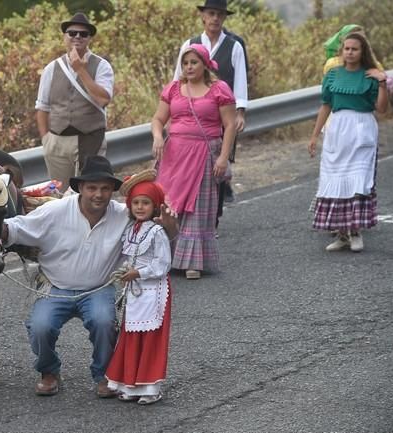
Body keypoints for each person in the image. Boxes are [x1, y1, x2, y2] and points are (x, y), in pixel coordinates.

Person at [2, 156, 177, 398]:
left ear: (112, 191)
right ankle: (49, 372)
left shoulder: (125, 215)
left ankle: (104, 375)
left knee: (104, 322)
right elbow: (16, 227)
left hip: (98, 288)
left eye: (105, 188)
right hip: (55, 286)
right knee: (40, 326)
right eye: (92, 187)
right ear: (80, 188)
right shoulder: (55, 210)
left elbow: (156, 235)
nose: (99, 194)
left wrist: (170, 227)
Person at [152, 44, 236, 279]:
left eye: (194, 62)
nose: (189, 67)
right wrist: (158, 137)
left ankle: (192, 262)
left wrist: (223, 157)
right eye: (185, 63)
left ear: (205, 64)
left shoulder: (219, 89)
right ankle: (167, 257)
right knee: (168, 204)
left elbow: (229, 125)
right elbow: (158, 119)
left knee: (198, 206)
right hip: (174, 153)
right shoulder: (173, 89)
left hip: (205, 151)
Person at [308, 32, 388, 252]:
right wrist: (315, 135)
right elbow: (326, 105)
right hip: (338, 130)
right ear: (341, 51)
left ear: (363, 52)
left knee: (357, 180)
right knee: (336, 178)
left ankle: (356, 231)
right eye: (347, 48)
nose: (350, 52)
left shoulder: (371, 76)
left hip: (362, 129)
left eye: (355, 49)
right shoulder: (332, 76)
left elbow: (381, 108)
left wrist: (382, 83)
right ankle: (342, 234)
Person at [172, 0, 248, 227]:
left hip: (223, 114)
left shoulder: (234, 46)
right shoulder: (190, 44)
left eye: (220, 15)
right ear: (203, 16)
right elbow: (178, 79)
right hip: (193, 115)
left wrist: (240, 112)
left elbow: (241, 80)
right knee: (191, 168)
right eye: (211, 13)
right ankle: (189, 215)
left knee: (218, 167)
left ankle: (212, 218)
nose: (215, 18)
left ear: (224, 18)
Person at [105, 170, 172, 405]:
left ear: (155, 206)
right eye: (136, 203)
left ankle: (150, 387)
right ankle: (129, 384)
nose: (140, 207)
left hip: (153, 290)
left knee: (150, 338)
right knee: (131, 336)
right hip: (135, 291)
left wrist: (138, 273)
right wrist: (125, 272)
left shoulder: (156, 232)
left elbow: (162, 264)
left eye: (146, 203)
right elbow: (125, 258)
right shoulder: (131, 230)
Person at [35, 12, 114, 192]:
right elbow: (42, 106)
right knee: (59, 194)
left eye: (83, 34)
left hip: (90, 138)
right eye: (72, 33)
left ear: (89, 38)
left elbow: (103, 99)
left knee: (87, 192)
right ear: (65, 36)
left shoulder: (102, 66)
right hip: (57, 140)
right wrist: (46, 139)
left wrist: (81, 71)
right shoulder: (51, 68)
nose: (77, 37)